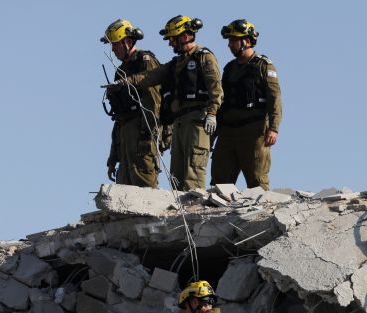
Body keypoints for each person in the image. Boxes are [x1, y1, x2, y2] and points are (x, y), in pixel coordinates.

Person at [107, 16, 223, 190]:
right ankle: (179, 214)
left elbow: (216, 90)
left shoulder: (203, 57)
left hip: (197, 120)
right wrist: (125, 82)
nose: (170, 44)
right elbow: (150, 77)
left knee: (193, 174)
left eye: (172, 39)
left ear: (184, 37)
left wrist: (212, 114)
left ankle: (193, 214)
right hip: (179, 121)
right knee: (176, 178)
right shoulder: (175, 64)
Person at [211, 19, 282, 190]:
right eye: (229, 41)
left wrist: (273, 128)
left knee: (257, 182)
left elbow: (274, 98)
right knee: (219, 184)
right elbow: (223, 101)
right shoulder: (229, 68)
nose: (229, 45)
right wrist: (215, 132)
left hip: (254, 131)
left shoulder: (263, 65)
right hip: (227, 132)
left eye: (233, 40)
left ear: (247, 41)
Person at [101, 20, 162, 187]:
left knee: (145, 189)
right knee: (125, 194)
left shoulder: (145, 61)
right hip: (126, 137)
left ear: (127, 42)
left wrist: (148, 135)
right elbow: (119, 118)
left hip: (142, 133)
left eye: (115, 45)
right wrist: (113, 157)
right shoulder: (120, 72)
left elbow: (155, 102)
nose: (113, 49)